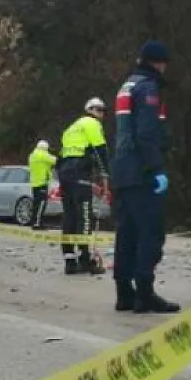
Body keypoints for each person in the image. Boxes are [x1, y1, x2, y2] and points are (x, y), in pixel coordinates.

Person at [111, 40, 178, 314]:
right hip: (141, 173)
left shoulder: (127, 85)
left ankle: (124, 293)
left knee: (126, 234)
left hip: (122, 171)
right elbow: (146, 134)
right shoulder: (148, 88)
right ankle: (145, 294)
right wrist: (157, 168)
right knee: (150, 234)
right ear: (160, 63)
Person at [58, 97, 110, 275]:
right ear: (91, 110)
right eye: (100, 110)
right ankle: (85, 259)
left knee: (69, 216)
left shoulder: (71, 128)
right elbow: (101, 151)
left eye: (103, 111)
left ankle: (69, 261)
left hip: (65, 172)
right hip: (79, 170)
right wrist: (106, 178)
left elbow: (63, 153)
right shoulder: (92, 124)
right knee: (85, 215)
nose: (102, 114)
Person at [27, 139, 56, 231]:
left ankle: (35, 222)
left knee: (36, 203)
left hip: (35, 182)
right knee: (41, 204)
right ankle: (37, 223)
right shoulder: (42, 155)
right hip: (42, 182)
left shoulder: (32, 155)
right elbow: (54, 160)